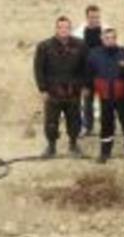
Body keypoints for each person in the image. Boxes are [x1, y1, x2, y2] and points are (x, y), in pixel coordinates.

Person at [33, 16, 89, 158]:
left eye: (66, 27)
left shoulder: (80, 45)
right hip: (53, 92)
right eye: (60, 27)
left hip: (73, 91)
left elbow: (86, 68)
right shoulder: (44, 46)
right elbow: (38, 69)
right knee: (51, 122)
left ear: (70, 29)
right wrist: (43, 89)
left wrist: (84, 86)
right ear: (56, 28)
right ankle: (51, 147)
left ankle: (73, 144)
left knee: (74, 120)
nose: (63, 30)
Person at [86, 28, 124, 163]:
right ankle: (105, 152)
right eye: (107, 38)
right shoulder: (94, 55)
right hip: (105, 98)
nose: (110, 40)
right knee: (106, 124)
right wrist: (90, 88)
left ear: (116, 38)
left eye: (112, 37)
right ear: (102, 39)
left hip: (123, 97)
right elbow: (89, 74)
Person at [73, 5, 104, 137]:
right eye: (91, 17)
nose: (94, 19)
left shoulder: (105, 32)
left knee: (105, 102)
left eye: (96, 17)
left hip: (102, 74)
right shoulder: (79, 35)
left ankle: (105, 128)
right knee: (87, 102)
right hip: (87, 75)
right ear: (87, 18)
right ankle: (88, 127)